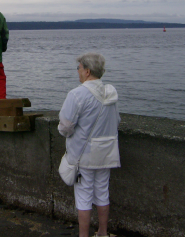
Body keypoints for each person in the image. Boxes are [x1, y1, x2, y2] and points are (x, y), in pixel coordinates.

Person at [58, 53, 120, 237]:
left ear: (87, 71)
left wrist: (66, 132)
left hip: (83, 155)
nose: (77, 72)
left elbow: (65, 126)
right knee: (102, 192)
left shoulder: (77, 94)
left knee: (84, 197)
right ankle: (102, 233)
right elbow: (116, 121)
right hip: (106, 152)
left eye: (78, 68)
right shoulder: (111, 92)